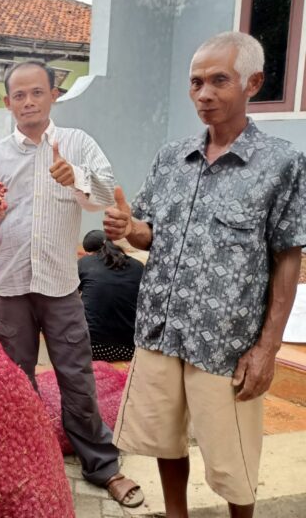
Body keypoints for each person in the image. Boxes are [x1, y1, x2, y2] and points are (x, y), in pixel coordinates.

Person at [104, 32, 306, 518]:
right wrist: (129, 227)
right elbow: (149, 234)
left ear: (252, 83)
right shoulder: (172, 157)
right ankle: (177, 513)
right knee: (163, 437)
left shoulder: (282, 163)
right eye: (196, 82)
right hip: (160, 329)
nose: (204, 94)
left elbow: (288, 258)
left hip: (226, 343)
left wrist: (267, 349)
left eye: (220, 81)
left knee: (233, 458)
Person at [0, 60, 143, 508]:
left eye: (37, 92)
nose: (28, 101)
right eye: (19, 95)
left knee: (76, 375)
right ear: (8, 102)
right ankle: (26, 463)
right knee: (15, 381)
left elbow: (107, 196)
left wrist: (77, 177)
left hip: (60, 284)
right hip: (10, 285)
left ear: (54, 94)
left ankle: (102, 465)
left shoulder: (77, 143)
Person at [78, 230, 143, 362]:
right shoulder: (138, 266)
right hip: (130, 348)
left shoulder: (85, 263)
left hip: (91, 348)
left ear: (89, 252)